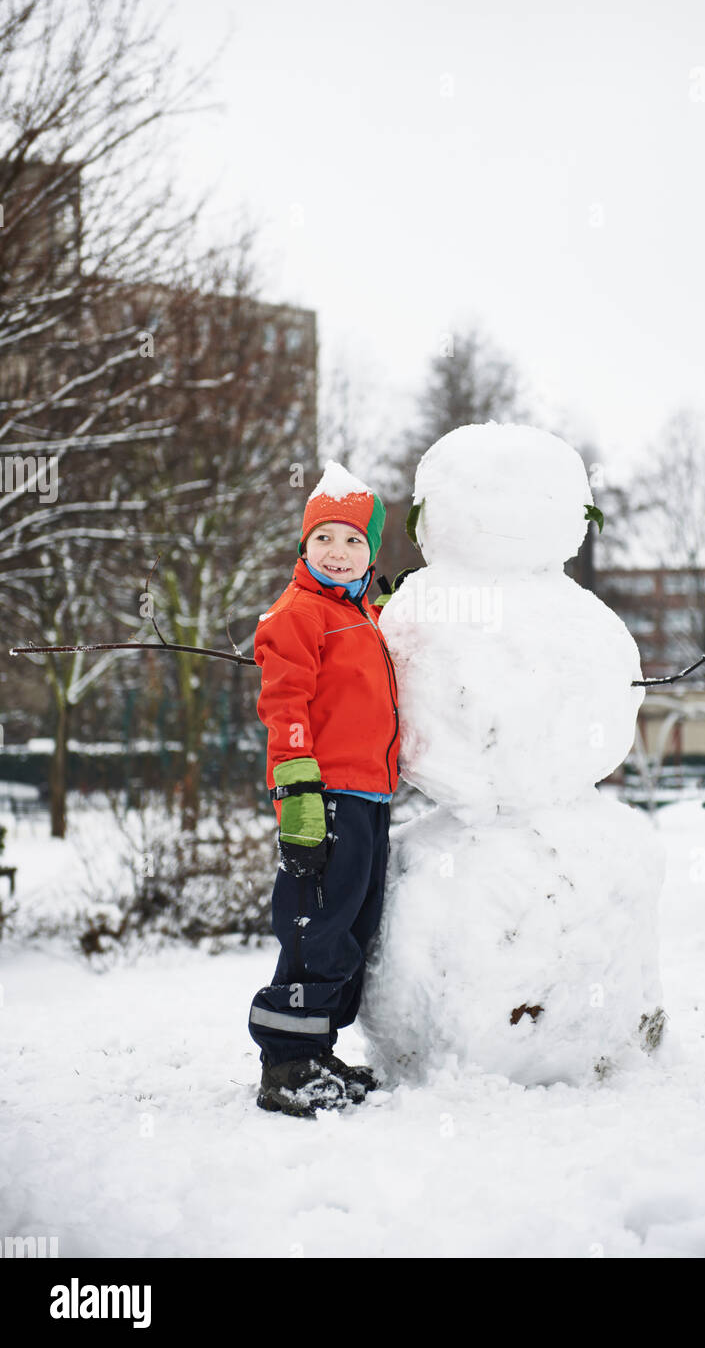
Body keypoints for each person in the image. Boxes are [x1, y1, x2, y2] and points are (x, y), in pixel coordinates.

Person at [247, 463, 400, 1118]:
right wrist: (297, 790)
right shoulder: (297, 615)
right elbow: (285, 705)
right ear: (303, 547)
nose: (338, 553)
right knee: (316, 924)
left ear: (371, 551)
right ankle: (286, 1064)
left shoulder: (359, 616)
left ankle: (318, 1050)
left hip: (368, 797)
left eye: (353, 542)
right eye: (324, 540)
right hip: (325, 795)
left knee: (351, 926)